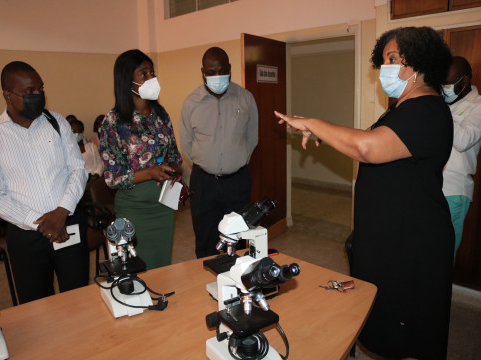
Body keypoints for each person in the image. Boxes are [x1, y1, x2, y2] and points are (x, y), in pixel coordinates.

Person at [275, 27, 454, 359]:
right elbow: (365, 139)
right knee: (378, 310)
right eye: (384, 59)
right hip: (390, 234)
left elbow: (367, 148)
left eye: (392, 58)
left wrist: (313, 123)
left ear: (417, 62)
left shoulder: (427, 111)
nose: (384, 67)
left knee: (410, 326)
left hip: (411, 241)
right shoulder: (403, 110)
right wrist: (322, 131)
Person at [0, 61, 89, 304]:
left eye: (40, 89)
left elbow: (77, 169)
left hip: (68, 225)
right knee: (37, 308)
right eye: (29, 92)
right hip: (26, 235)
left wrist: (62, 212)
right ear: (7, 95)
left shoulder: (57, 122)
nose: (37, 96)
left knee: (78, 299)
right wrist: (41, 223)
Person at [100, 49, 182, 270]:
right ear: (127, 80)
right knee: (136, 269)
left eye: (152, 73)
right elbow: (112, 178)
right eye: (143, 74)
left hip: (164, 206)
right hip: (134, 209)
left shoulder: (161, 115)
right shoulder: (113, 121)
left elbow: (174, 156)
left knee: (161, 266)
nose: (151, 79)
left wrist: (173, 170)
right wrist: (150, 173)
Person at [180, 47, 258, 259]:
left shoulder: (246, 98)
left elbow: (252, 138)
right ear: (203, 71)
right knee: (206, 238)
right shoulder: (191, 103)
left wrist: (235, 162)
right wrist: (209, 163)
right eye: (211, 72)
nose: (217, 76)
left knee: (240, 238)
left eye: (222, 71)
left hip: (237, 182)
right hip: (204, 183)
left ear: (230, 69)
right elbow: (187, 142)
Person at [441, 56, 481, 261]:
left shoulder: (478, 106)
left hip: (454, 191)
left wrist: (438, 111)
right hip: (431, 186)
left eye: (448, 83)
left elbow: (464, 140)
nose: (444, 88)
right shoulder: (445, 105)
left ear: (464, 81)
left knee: (445, 254)